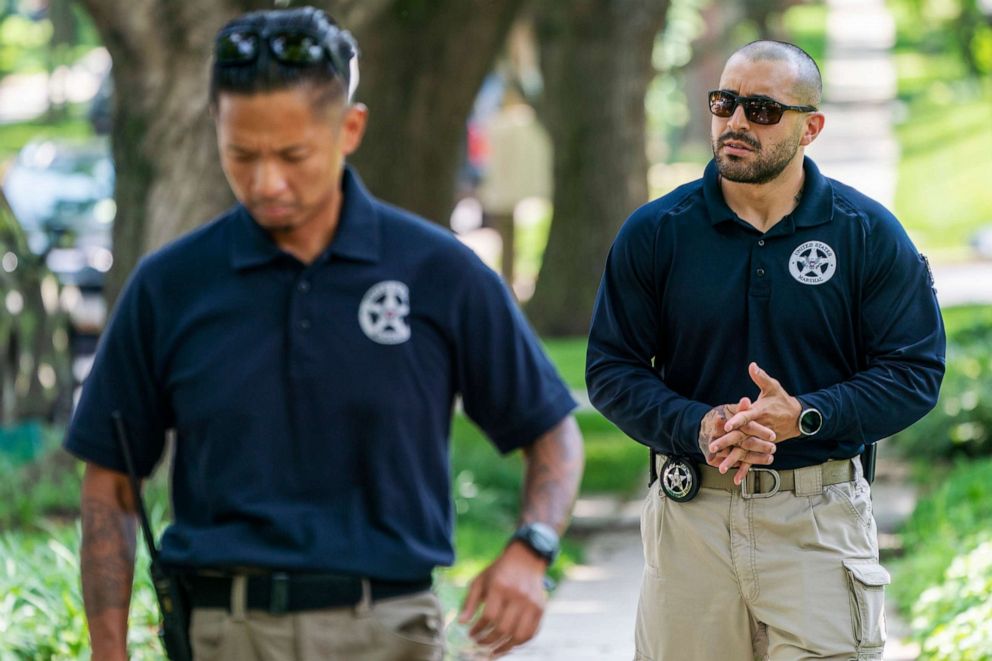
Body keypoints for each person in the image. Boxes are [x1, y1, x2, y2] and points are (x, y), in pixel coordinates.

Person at [65, 7, 583, 660]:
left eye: (293, 155)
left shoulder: (439, 272)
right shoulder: (170, 285)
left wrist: (532, 546)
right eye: (241, 154)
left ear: (351, 128)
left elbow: (552, 429)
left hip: (390, 632)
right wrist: (108, 653)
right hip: (225, 633)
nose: (266, 181)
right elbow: (109, 480)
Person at [586, 40, 945, 661]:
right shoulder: (656, 232)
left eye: (761, 109)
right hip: (690, 517)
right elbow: (611, 369)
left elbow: (914, 372)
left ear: (811, 127)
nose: (736, 123)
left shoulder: (866, 233)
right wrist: (697, 425)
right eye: (725, 103)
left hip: (819, 519)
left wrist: (805, 414)